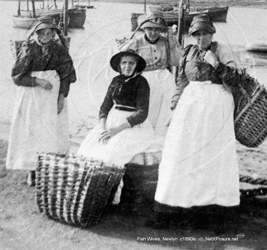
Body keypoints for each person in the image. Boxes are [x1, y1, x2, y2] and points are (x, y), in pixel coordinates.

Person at [153, 13, 241, 229]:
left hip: (216, 106)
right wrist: (174, 107)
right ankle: (176, 205)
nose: (201, 38)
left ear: (212, 33)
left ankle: (211, 211)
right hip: (189, 106)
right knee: (180, 153)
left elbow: (237, 80)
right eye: (197, 34)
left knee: (210, 156)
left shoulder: (222, 50)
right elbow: (181, 80)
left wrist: (217, 65)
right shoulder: (189, 52)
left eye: (205, 33)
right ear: (193, 35)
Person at [6, 17, 76, 186]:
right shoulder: (28, 48)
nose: (45, 36)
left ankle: (49, 169)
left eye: (49, 33)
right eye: (42, 33)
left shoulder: (59, 50)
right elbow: (17, 76)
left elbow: (66, 75)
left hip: (52, 95)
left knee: (52, 131)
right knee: (32, 131)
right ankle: (32, 170)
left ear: (53, 34)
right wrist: (37, 81)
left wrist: (61, 98)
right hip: (32, 95)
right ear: (36, 33)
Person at [77, 49, 154, 203]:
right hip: (111, 121)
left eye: (131, 63)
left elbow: (142, 113)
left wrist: (116, 130)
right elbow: (105, 107)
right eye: (124, 63)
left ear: (136, 65)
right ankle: (88, 193)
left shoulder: (141, 83)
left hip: (132, 125)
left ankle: (109, 196)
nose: (127, 66)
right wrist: (103, 127)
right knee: (86, 150)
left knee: (112, 155)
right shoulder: (116, 81)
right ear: (119, 65)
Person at [120, 12, 181, 140]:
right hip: (145, 79)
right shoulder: (136, 43)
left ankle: (161, 138)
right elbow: (122, 60)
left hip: (164, 79)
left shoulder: (166, 42)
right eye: (149, 29)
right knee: (146, 109)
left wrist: (172, 39)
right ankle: (142, 139)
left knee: (165, 110)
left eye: (156, 29)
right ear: (144, 28)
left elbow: (176, 61)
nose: (152, 33)